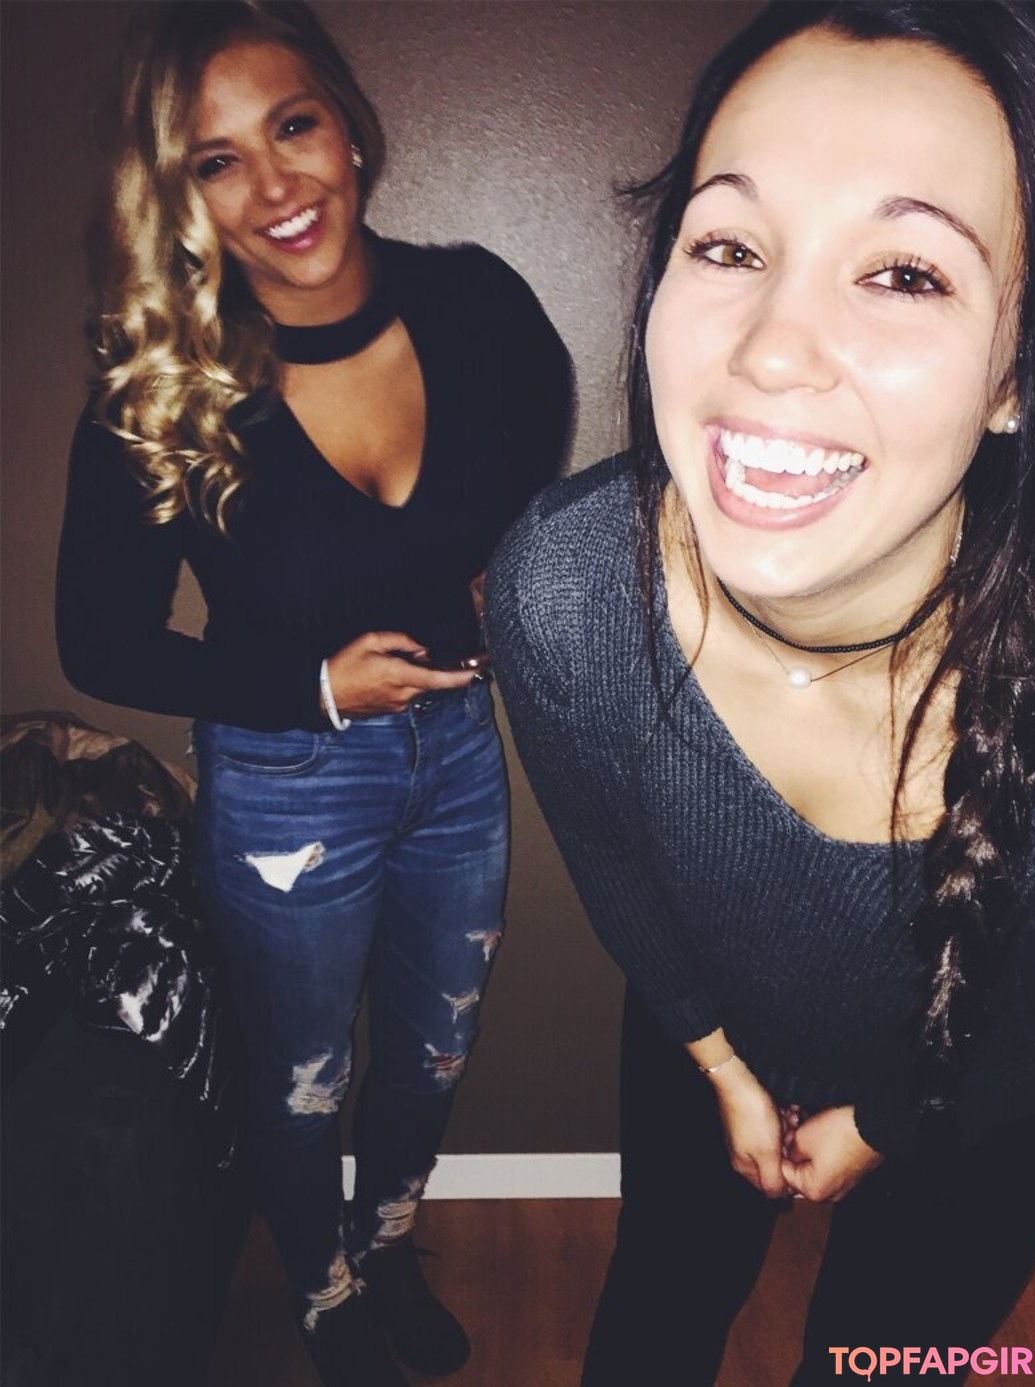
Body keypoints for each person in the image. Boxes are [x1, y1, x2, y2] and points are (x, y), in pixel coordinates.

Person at [487, 2, 1035, 1382]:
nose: (771, 347)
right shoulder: (566, 592)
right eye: (731, 247)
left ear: (1017, 376)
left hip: (985, 1105)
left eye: (907, 274)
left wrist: (886, 1123)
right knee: (653, 1314)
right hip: (704, 1032)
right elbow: (614, 866)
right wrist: (715, 1061)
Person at [55, 4, 571, 1384]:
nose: (275, 186)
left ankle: (385, 1246)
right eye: (217, 161)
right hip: (286, 779)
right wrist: (311, 684)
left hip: (459, 752)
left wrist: (506, 565)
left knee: (432, 1053)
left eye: (292, 126)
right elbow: (99, 643)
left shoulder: (476, 303)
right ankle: (325, 1293)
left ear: (347, 124)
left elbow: (542, 448)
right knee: (302, 1076)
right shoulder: (164, 384)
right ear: (181, 195)